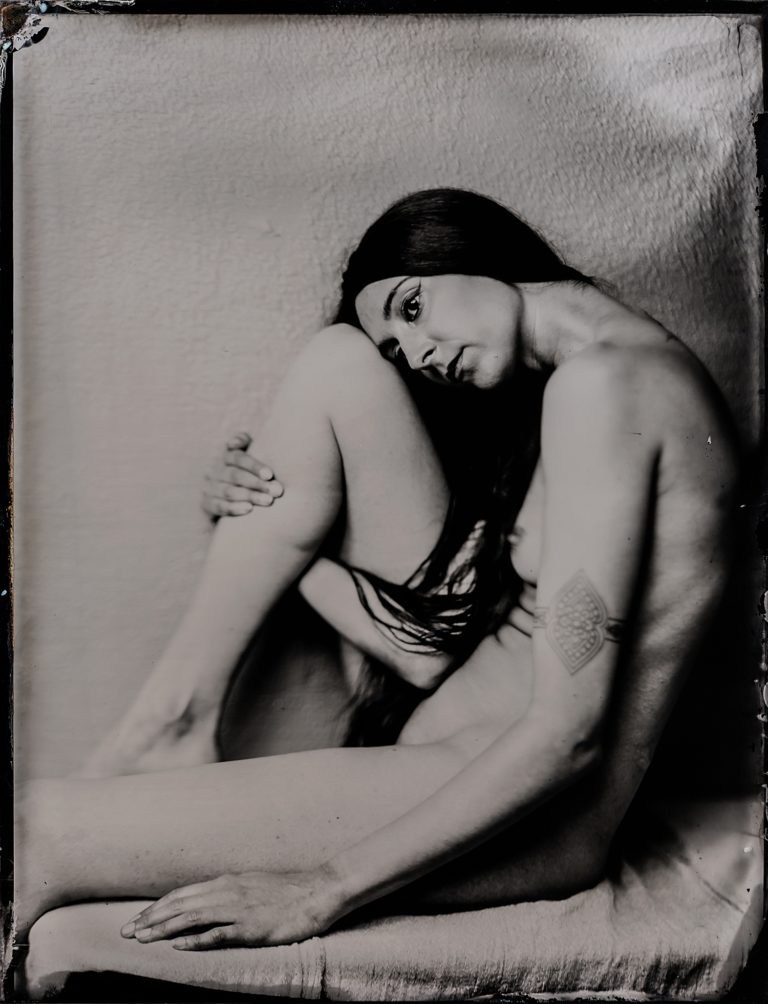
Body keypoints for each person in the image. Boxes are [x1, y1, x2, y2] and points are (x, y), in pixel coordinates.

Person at [17, 189, 739, 953]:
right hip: (450, 717)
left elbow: (570, 737)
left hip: (532, 817)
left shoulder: (608, 389)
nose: (419, 354)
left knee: (36, 831)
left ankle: (172, 726)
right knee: (338, 361)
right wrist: (259, 521)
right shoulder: (592, 378)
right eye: (400, 347)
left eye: (414, 307)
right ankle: (174, 719)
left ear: (468, 250)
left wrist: (322, 889)